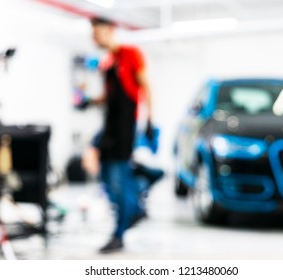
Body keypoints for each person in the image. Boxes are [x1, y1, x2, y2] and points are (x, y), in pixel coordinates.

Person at [81, 16, 155, 253]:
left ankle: (119, 234)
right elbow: (107, 97)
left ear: (110, 30)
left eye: (97, 33)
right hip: (110, 126)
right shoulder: (107, 62)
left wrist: (150, 119)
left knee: (118, 180)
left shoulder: (130, 54)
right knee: (105, 178)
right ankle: (135, 207)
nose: (94, 38)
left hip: (125, 127)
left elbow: (146, 86)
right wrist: (89, 100)